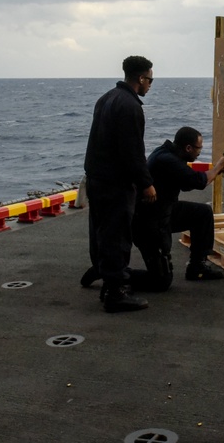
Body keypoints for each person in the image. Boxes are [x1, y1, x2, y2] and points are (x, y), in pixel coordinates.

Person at [81, 126, 224, 292]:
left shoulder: (168, 154)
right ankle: (109, 273)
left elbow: (186, 183)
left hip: (164, 211)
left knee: (202, 214)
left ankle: (197, 266)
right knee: (160, 281)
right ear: (188, 148)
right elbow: (198, 181)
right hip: (148, 224)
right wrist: (220, 165)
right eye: (199, 149)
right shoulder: (168, 160)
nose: (199, 153)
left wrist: (218, 170)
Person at [83, 55, 157, 313]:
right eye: (150, 79)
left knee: (102, 235)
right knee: (117, 237)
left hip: (96, 179)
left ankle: (109, 284)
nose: (150, 85)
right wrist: (146, 183)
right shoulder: (130, 106)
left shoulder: (106, 99)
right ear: (140, 78)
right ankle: (116, 294)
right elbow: (132, 151)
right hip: (115, 184)